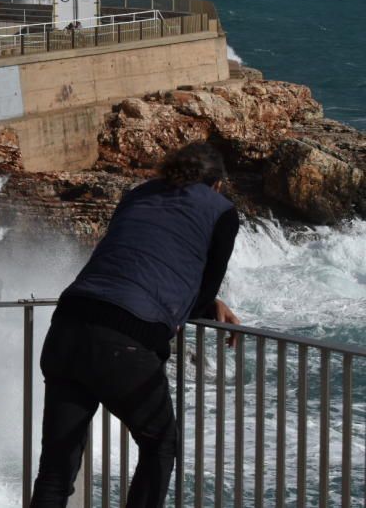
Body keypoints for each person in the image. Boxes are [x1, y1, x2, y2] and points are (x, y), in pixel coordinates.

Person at [31, 142, 241, 508]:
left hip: (67, 324)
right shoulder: (222, 211)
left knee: (55, 471)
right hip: (123, 339)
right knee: (160, 444)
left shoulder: (138, 195)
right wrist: (209, 305)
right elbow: (202, 287)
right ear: (217, 185)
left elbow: (130, 253)